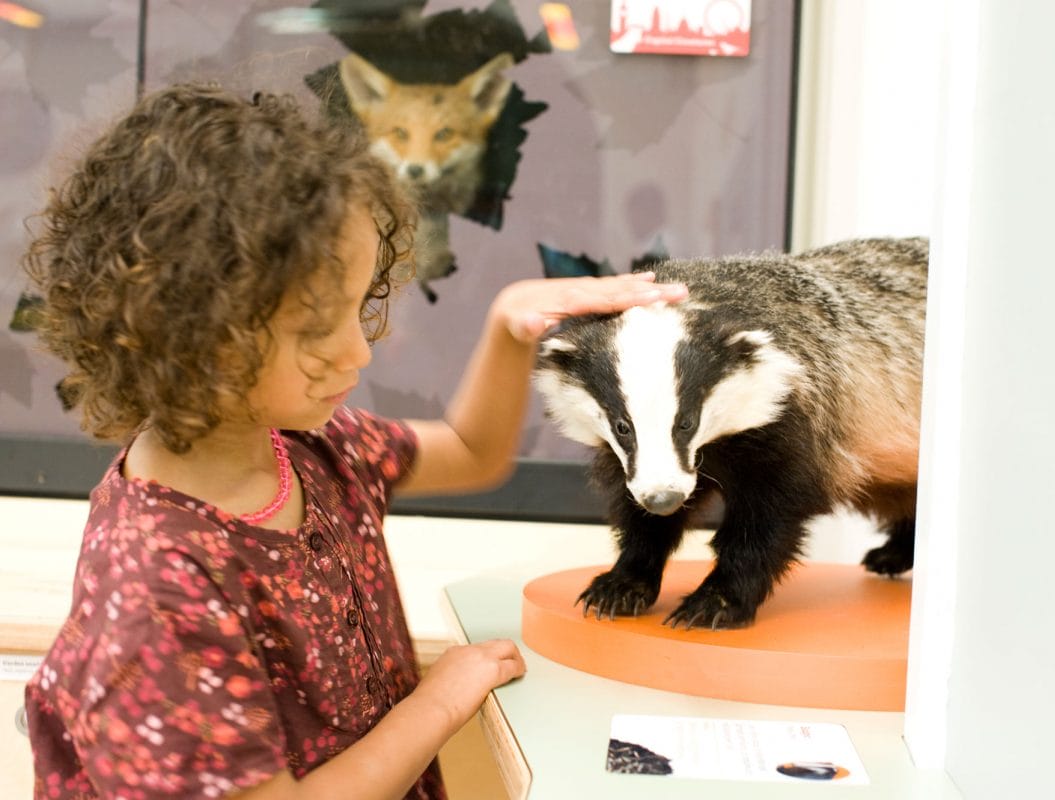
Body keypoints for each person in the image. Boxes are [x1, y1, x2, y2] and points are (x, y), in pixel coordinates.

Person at [21, 83, 687, 800]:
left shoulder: (304, 446)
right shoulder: (156, 581)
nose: (357, 354)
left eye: (358, 308)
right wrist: (440, 701)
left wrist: (507, 323)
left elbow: (470, 450)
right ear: (188, 334)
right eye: (314, 331)